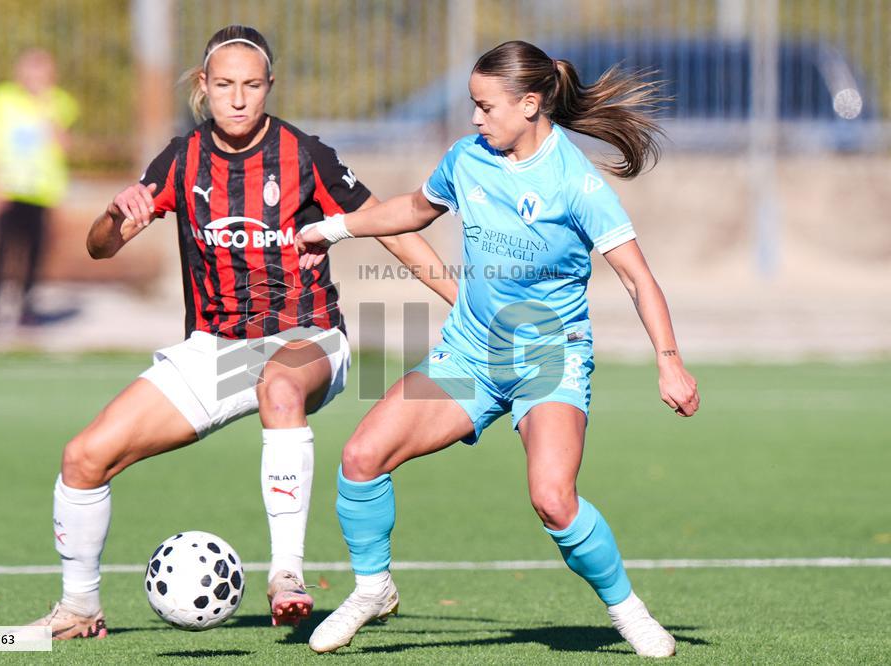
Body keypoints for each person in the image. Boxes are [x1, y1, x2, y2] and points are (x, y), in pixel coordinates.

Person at [29, 25, 456, 639]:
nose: (237, 98)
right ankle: (79, 609)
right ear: (203, 87)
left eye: (251, 86)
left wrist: (461, 302)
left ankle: (287, 574)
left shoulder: (305, 154)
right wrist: (112, 214)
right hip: (217, 351)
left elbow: (389, 224)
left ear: (268, 88)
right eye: (224, 85)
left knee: (280, 388)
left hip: (305, 337)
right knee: (83, 457)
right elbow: (100, 248)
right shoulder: (181, 159)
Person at [297, 40, 700, 658]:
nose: (477, 119)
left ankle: (629, 611)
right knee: (361, 456)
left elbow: (637, 277)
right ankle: (373, 589)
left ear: (531, 104)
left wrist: (668, 362)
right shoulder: (467, 158)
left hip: (548, 359)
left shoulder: (575, 183)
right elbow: (412, 209)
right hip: (469, 355)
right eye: (473, 106)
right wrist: (332, 228)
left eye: (486, 107)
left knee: (553, 498)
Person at [0, 49, 78, 328]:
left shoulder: (58, 102)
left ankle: (27, 306)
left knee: (36, 251)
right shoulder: (0, 99)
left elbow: (64, 145)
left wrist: (48, 114)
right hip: (8, 188)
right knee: (1, 250)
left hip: (41, 190)